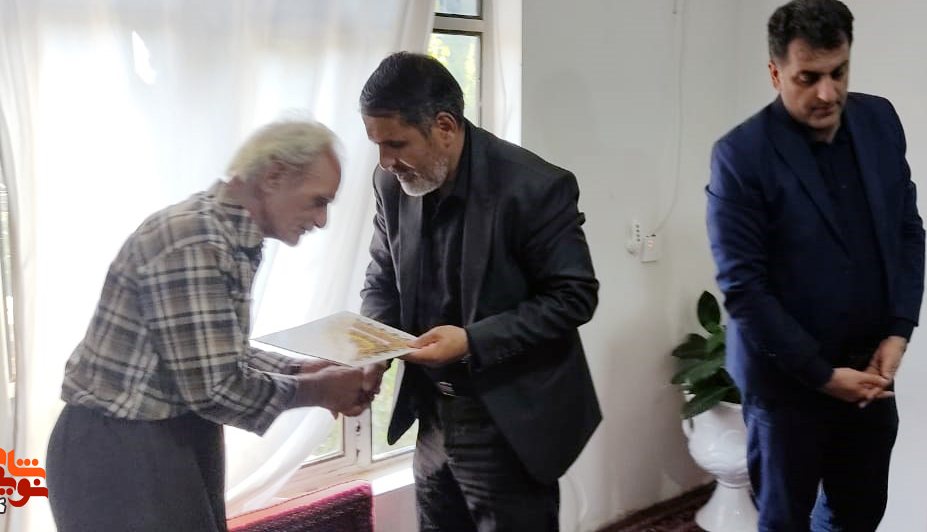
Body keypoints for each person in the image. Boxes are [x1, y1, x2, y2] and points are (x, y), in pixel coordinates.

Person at [47, 119, 382, 532]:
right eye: (318, 201)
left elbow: (216, 352)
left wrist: (305, 370)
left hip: (164, 437)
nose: (322, 220)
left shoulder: (223, 236)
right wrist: (320, 389)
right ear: (274, 176)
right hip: (121, 450)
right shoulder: (194, 239)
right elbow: (214, 387)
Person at [705, 0, 926, 531]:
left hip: (870, 369)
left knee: (860, 513)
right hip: (787, 384)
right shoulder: (740, 156)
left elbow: (907, 230)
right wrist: (824, 377)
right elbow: (744, 290)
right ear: (775, 73)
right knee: (785, 519)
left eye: (838, 72)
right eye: (808, 77)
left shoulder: (879, 120)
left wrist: (899, 329)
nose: (828, 93)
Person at [358, 52, 601, 532]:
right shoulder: (391, 183)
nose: (386, 162)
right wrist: (371, 348)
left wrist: (471, 341)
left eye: (396, 144)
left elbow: (574, 296)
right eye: (377, 145)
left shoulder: (534, 186)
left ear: (445, 127)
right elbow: (382, 279)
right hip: (433, 410)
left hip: (508, 415)